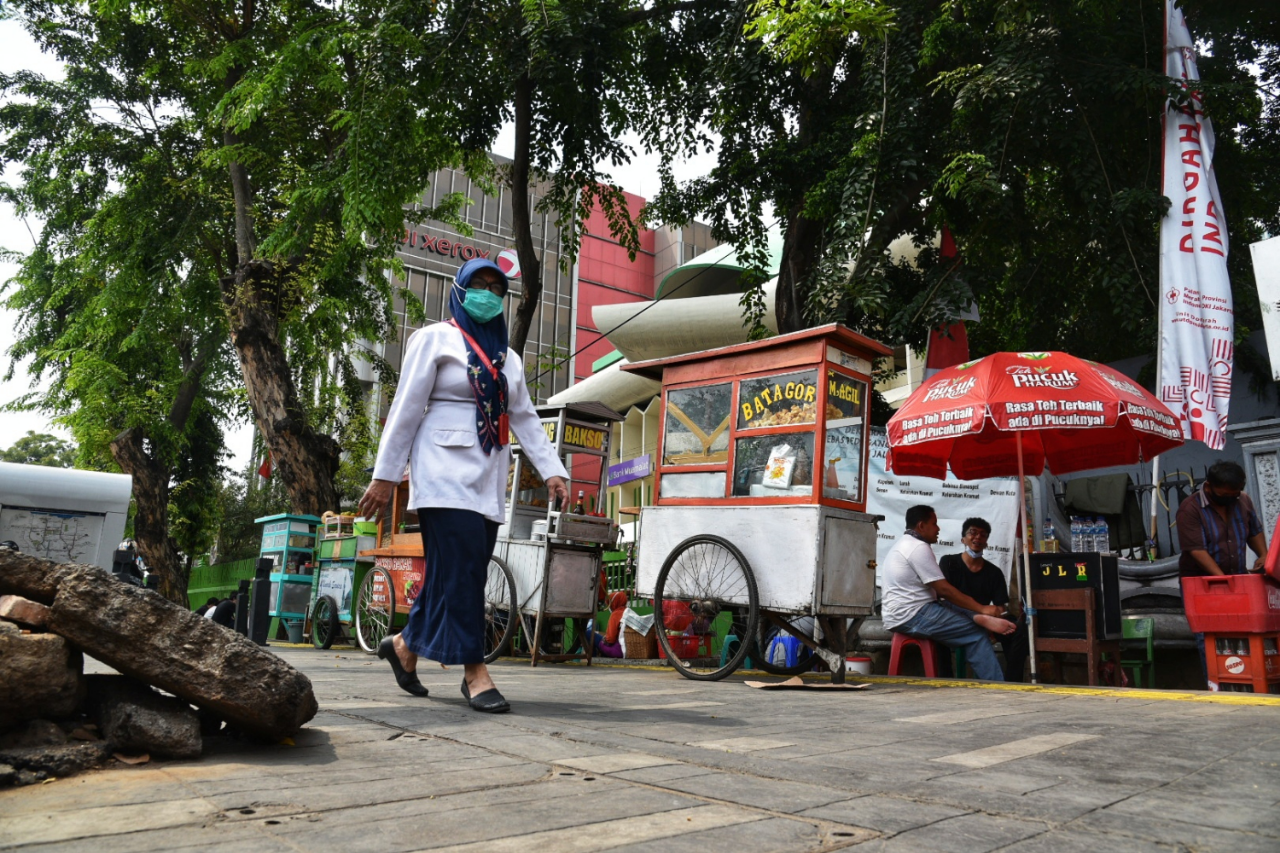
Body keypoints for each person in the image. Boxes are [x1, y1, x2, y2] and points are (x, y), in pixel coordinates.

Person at [360, 258, 569, 713]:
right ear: (459, 289)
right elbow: (406, 407)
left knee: (448, 574)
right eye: (479, 284)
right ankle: (475, 673)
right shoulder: (434, 338)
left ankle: (404, 647)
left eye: (497, 288)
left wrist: (552, 469)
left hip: (488, 478)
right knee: (465, 576)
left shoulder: (508, 359)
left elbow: (526, 419)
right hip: (440, 473)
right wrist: (385, 476)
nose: (489, 294)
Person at [881, 505, 1017, 681]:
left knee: (948, 605)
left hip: (913, 611)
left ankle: (977, 617)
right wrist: (982, 609)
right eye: (934, 524)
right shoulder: (917, 548)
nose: (938, 529)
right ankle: (997, 686)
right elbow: (944, 589)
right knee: (976, 633)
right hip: (912, 614)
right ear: (922, 526)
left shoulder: (904, 544)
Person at [1176, 460, 1268, 684]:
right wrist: (1222, 581)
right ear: (1208, 487)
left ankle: (1244, 681)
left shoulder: (1243, 501)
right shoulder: (1190, 508)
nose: (1230, 498)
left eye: (1234, 493)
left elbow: (1254, 531)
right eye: (1225, 494)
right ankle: (1216, 685)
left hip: (1237, 578)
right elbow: (1197, 550)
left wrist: (1264, 555)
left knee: (1243, 633)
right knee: (1206, 635)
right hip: (1201, 582)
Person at [938, 517, 1030, 682]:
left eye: (983, 535)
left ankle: (1012, 682)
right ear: (963, 539)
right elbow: (944, 597)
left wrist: (993, 625)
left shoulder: (994, 572)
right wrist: (981, 614)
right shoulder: (949, 562)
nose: (977, 538)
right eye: (973, 533)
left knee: (1018, 629)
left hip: (986, 620)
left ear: (987, 542)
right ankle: (945, 682)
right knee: (936, 636)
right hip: (955, 617)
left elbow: (1000, 607)